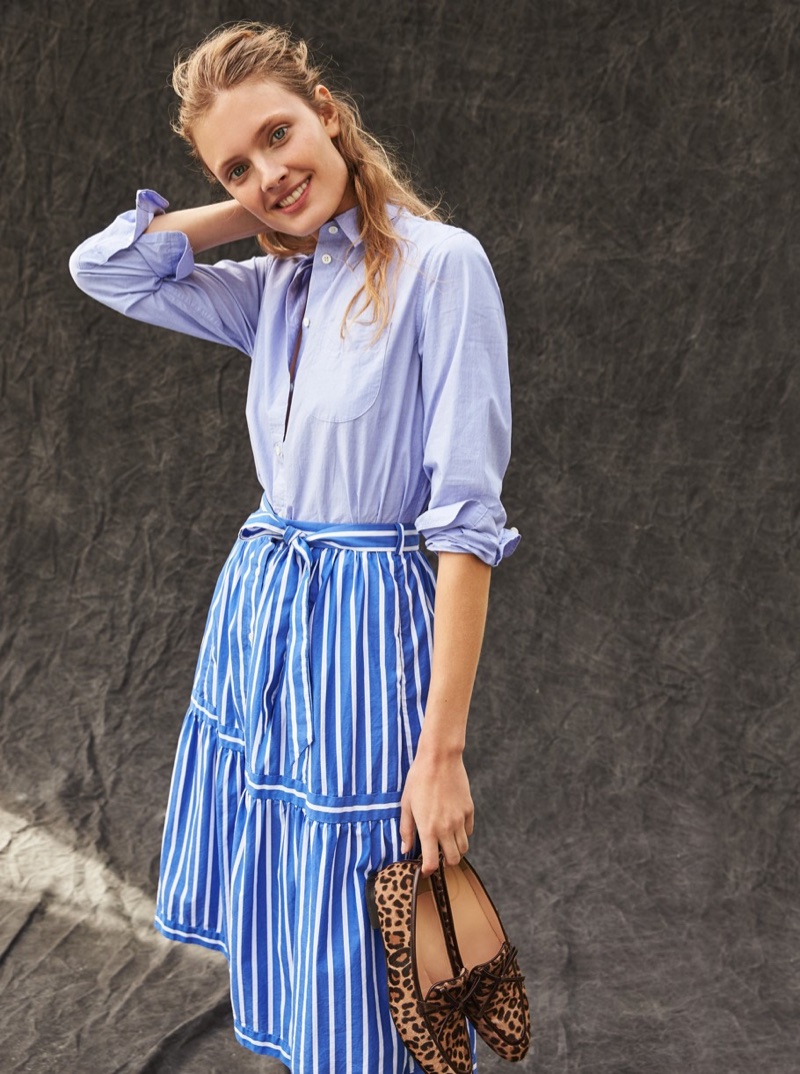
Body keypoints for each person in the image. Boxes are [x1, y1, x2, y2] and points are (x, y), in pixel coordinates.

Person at [69, 21, 519, 1074]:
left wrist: (440, 750)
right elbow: (107, 269)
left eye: (281, 134)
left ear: (328, 111)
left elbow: (464, 525)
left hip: (369, 638)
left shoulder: (440, 268)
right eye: (237, 162)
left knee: (369, 916)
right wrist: (262, 206)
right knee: (287, 902)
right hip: (265, 626)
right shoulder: (278, 290)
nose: (269, 170)